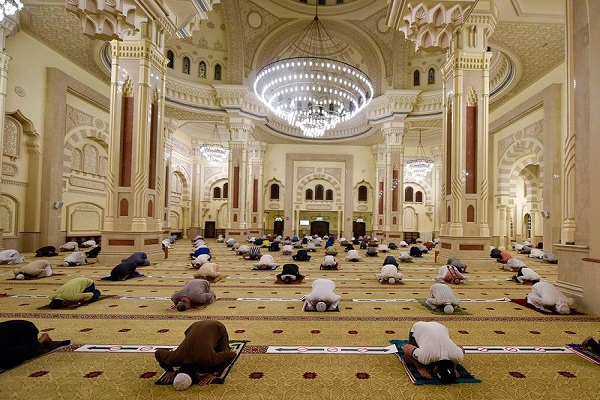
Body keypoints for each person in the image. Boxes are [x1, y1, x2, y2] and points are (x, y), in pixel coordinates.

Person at [155, 320, 237, 388]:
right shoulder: (173, 359)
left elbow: (232, 355)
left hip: (217, 327)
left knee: (224, 351)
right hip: (193, 326)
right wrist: (169, 370)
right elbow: (158, 353)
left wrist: (214, 373)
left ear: (198, 375)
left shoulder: (207, 360)